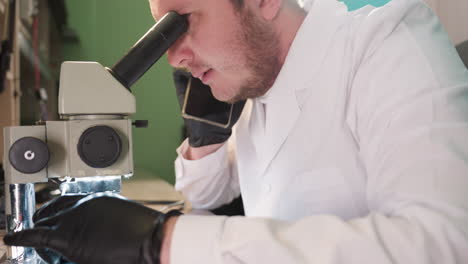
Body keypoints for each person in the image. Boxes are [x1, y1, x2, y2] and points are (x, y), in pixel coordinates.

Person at [4, 0, 468, 263]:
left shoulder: (387, 45)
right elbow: (206, 194)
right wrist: (203, 132)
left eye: (180, 24)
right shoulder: (259, 89)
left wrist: (159, 243)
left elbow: (443, 244)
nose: (173, 55)